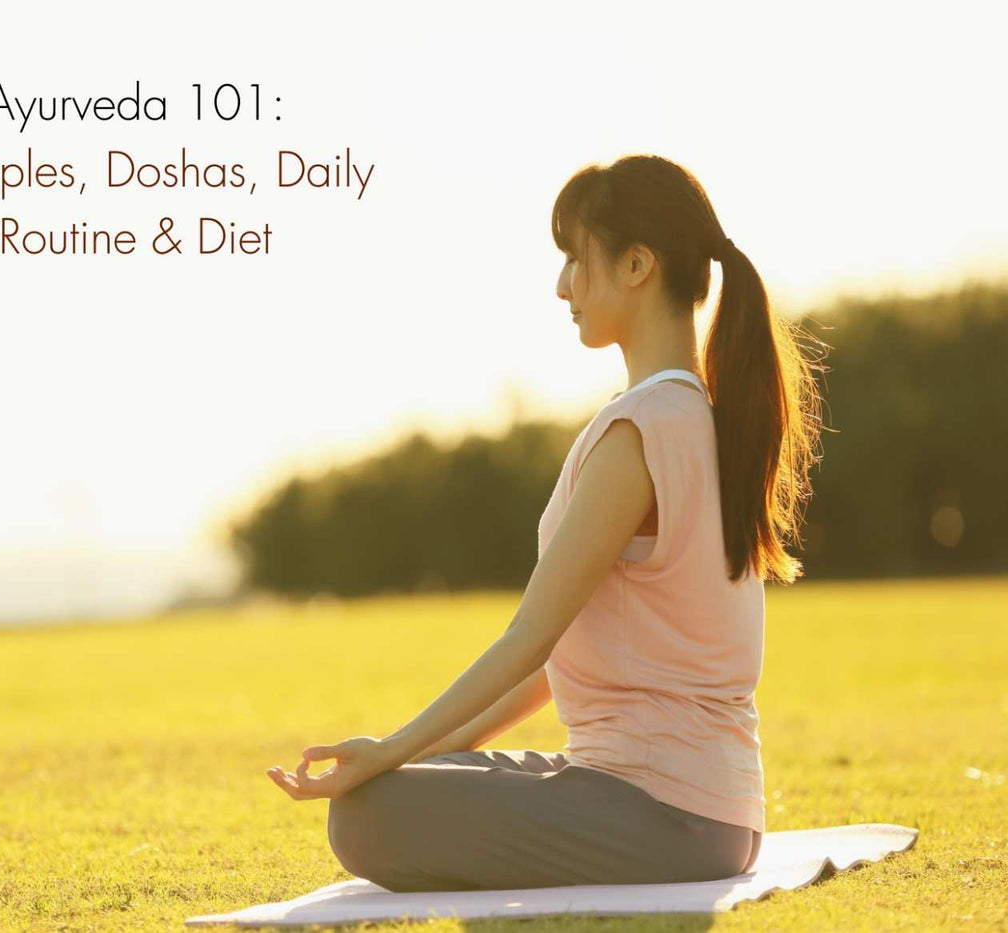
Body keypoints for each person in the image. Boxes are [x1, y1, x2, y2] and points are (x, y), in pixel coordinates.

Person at [265, 154, 827, 891]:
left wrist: (391, 751)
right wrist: (433, 749)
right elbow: (559, 655)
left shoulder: (640, 433)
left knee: (367, 814)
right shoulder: (702, 418)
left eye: (574, 256)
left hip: (660, 812)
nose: (562, 284)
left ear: (636, 264)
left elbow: (529, 635)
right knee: (397, 781)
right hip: (707, 814)